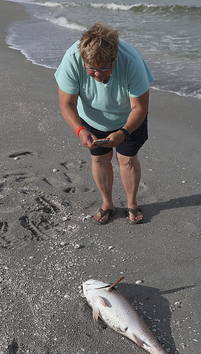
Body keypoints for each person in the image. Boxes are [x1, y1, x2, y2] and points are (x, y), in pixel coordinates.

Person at [55, 23, 153, 225]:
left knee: (126, 158)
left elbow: (140, 108)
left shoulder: (131, 61)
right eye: (91, 69)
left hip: (129, 118)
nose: (97, 74)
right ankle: (107, 203)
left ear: (115, 58)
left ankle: (132, 203)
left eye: (104, 68)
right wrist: (80, 130)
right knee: (99, 159)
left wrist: (123, 132)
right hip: (92, 117)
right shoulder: (72, 59)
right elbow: (67, 103)